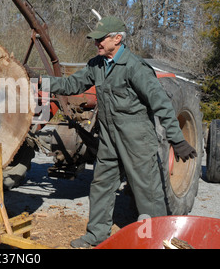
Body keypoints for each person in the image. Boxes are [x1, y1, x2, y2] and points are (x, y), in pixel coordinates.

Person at [26, 16, 197, 248]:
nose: (96, 43)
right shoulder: (96, 65)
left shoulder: (134, 67)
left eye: (101, 39)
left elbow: (161, 104)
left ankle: (156, 241)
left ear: (117, 38)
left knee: (147, 193)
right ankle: (97, 235)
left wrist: (177, 140)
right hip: (108, 139)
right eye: (95, 40)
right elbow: (71, 85)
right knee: (101, 185)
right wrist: (41, 82)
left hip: (137, 142)